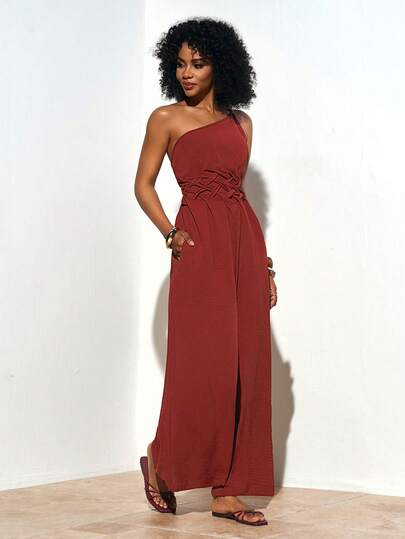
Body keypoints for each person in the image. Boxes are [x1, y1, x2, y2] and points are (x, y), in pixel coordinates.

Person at [134, 17, 277, 527]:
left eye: (198, 63)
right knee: (202, 368)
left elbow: (238, 198)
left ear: (221, 65)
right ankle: (161, 461)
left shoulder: (242, 124)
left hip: (243, 246)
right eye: (180, 64)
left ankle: (227, 492)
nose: (187, 73)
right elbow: (144, 184)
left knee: (245, 367)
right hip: (197, 246)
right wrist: (170, 233)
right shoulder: (166, 118)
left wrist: (264, 266)